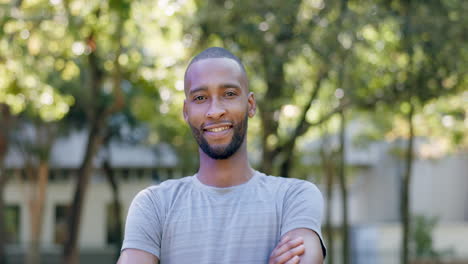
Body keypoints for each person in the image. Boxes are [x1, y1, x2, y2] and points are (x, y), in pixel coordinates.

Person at [117, 47, 326, 264]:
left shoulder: (293, 197)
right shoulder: (154, 205)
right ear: (186, 111)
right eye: (200, 97)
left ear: (250, 104)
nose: (215, 111)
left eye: (229, 94)